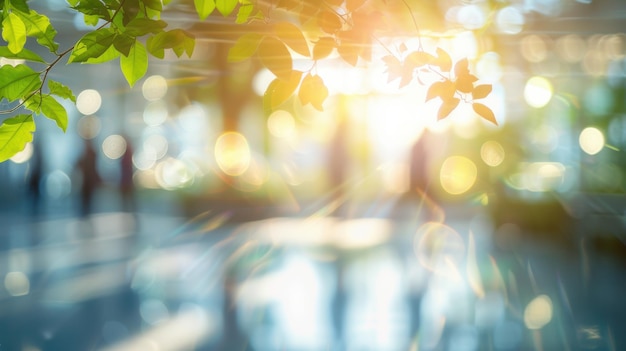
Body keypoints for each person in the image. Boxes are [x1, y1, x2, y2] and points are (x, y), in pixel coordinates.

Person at [77, 139, 101, 218]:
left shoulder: (91, 153)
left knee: (88, 198)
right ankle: (85, 212)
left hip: (89, 180)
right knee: (85, 198)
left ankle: (87, 213)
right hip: (86, 180)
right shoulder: (86, 153)